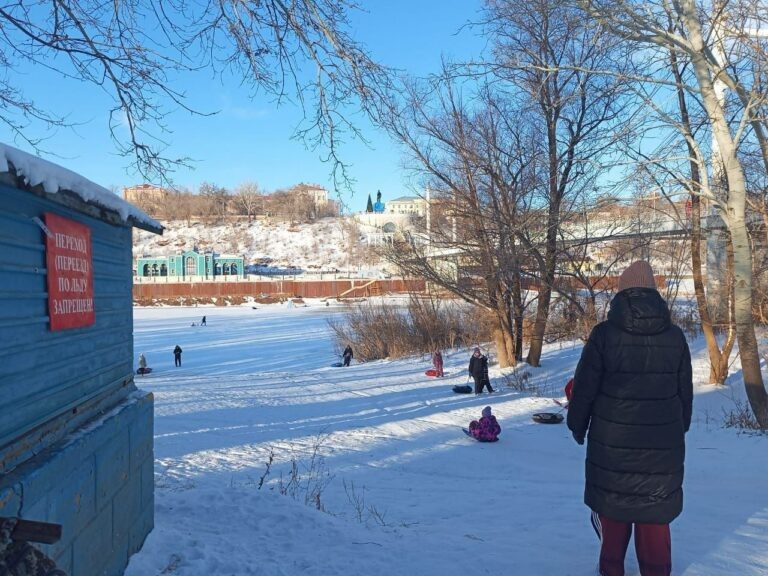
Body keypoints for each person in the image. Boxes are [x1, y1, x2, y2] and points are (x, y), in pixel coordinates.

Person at [567, 260, 693, 576]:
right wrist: (680, 428)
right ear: (654, 295)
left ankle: (611, 571)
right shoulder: (675, 337)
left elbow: (584, 387)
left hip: (612, 447)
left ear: (622, 293)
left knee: (614, 513)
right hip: (661, 451)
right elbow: (685, 392)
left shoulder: (604, 335)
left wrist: (577, 424)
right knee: (654, 519)